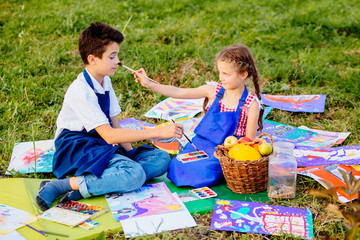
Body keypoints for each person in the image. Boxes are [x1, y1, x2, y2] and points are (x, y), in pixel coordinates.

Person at [36, 22, 183, 211]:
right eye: (112, 57)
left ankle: (90, 185)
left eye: (117, 56)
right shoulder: (81, 90)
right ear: (93, 59)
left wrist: (130, 154)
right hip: (78, 146)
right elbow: (111, 135)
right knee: (134, 175)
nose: (118, 61)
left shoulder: (105, 81)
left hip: (101, 143)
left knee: (161, 158)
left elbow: (114, 123)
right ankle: (60, 185)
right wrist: (159, 132)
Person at [133, 44, 264, 188]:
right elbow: (178, 92)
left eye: (226, 74)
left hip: (228, 148)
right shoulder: (214, 91)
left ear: (243, 74)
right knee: (177, 164)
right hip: (202, 142)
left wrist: (230, 154)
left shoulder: (251, 104)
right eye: (220, 73)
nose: (221, 78)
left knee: (204, 170)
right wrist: (149, 84)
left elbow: (248, 141)